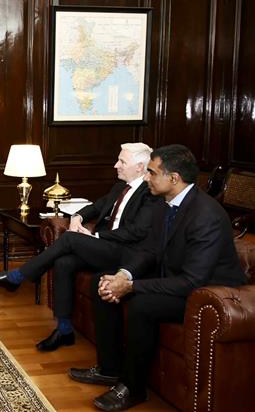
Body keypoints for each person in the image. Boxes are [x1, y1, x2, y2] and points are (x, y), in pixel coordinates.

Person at [68, 145, 247, 411]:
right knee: (102, 281)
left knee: (142, 305)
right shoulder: (166, 204)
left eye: (152, 173)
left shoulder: (205, 215)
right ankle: (109, 369)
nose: (147, 178)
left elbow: (192, 281)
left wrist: (131, 286)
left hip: (209, 294)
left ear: (173, 178)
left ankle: (133, 388)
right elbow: (149, 250)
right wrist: (121, 274)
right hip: (175, 278)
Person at [0, 143, 157, 351]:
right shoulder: (121, 186)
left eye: (122, 162)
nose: (115, 165)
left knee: (69, 239)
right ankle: (64, 330)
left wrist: (94, 234)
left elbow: (136, 232)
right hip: (105, 247)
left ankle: (17, 277)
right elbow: (97, 206)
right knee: (64, 262)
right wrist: (78, 216)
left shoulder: (150, 192)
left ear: (139, 167)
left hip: (125, 253)